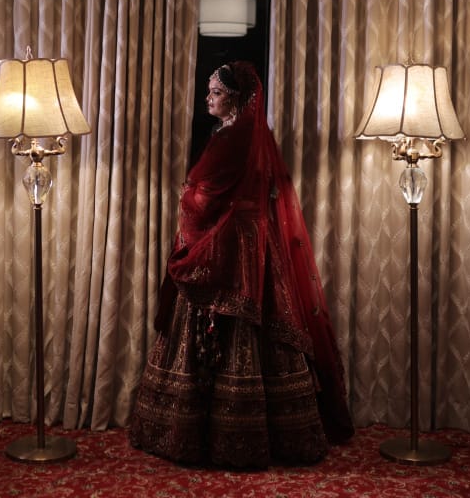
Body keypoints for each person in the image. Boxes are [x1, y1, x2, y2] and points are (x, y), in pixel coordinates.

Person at [129, 61, 354, 467]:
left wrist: (188, 196)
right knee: (262, 325)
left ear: (234, 99)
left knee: (220, 326)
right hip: (252, 247)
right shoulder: (253, 136)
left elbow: (204, 197)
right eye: (210, 91)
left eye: (215, 92)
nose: (208, 99)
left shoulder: (231, 138)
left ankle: (209, 434)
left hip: (224, 245)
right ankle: (270, 434)